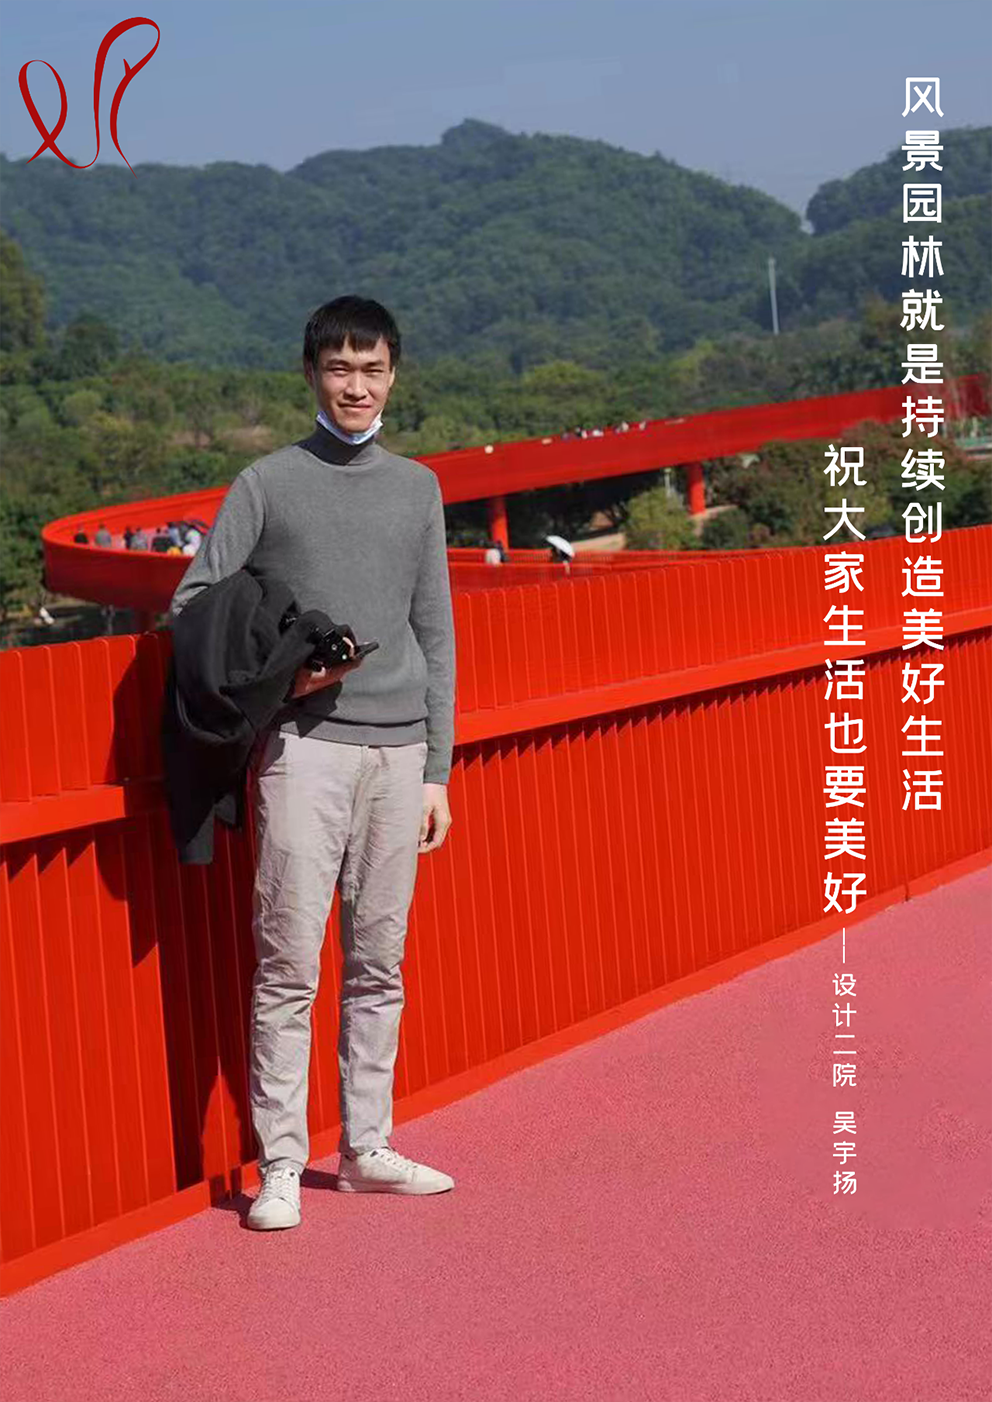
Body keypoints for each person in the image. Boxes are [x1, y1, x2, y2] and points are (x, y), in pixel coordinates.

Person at [168, 296, 456, 1231]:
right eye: (339, 369)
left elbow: (436, 633)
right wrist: (284, 674)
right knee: (289, 965)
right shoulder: (268, 482)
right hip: (303, 751)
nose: (356, 387)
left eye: (372, 370)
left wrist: (438, 770)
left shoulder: (418, 488)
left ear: (394, 375)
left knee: (380, 963)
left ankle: (367, 1147)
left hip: (400, 753)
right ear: (311, 374)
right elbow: (195, 603)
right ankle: (283, 1166)